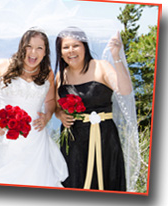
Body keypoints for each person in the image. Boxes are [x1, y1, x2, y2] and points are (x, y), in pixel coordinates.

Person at [0, 28, 68, 187]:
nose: (33, 52)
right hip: (1, 135)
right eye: (29, 46)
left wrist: (47, 116)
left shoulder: (47, 73)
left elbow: (51, 101)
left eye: (39, 48)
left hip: (35, 143)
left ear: (45, 52)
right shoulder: (2, 66)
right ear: (21, 47)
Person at [54, 26, 139, 191]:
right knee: (74, 181)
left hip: (104, 137)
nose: (71, 50)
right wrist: (60, 115)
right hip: (73, 141)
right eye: (65, 47)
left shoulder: (101, 66)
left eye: (76, 45)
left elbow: (125, 90)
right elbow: (57, 107)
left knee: (108, 179)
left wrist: (116, 56)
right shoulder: (60, 76)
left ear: (84, 46)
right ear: (60, 52)